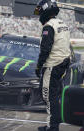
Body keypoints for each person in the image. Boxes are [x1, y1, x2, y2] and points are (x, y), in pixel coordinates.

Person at [34, 0, 71, 131]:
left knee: (48, 96)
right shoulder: (62, 24)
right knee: (54, 95)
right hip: (62, 63)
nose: (39, 14)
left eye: (40, 10)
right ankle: (55, 120)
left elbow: (45, 50)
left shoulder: (49, 26)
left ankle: (52, 127)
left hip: (52, 65)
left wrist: (38, 66)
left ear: (45, 10)